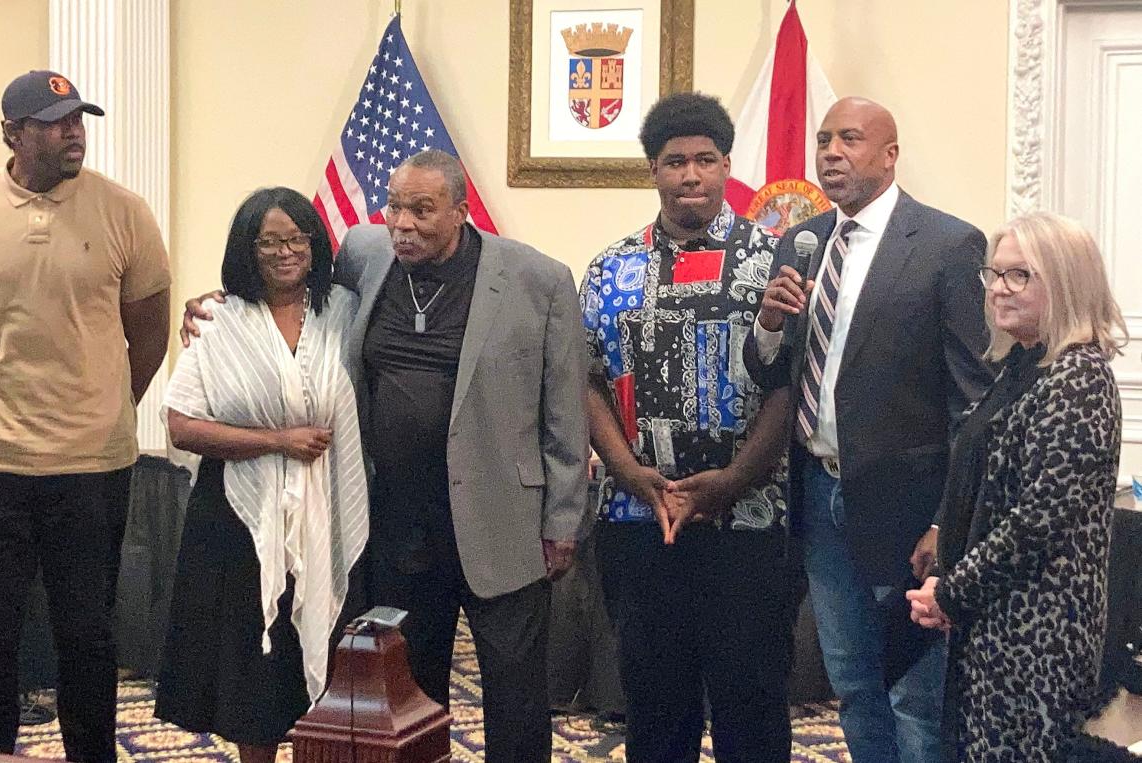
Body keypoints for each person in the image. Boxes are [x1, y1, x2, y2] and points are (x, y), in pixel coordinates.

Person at [182, 150, 588, 762]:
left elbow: (564, 414)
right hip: (398, 522)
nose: (403, 222)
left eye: (422, 210)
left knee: (514, 692)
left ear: (461, 210)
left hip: (503, 520)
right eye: (394, 205)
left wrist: (562, 523)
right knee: (405, 689)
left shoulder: (538, 278)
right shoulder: (364, 255)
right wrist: (222, 301)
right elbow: (288, 286)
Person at [0, 70, 170, 762]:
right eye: (54, 122)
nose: (73, 132)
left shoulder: (125, 213)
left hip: (90, 468)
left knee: (88, 637)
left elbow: (149, 331)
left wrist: (106, 406)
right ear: (11, 134)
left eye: (77, 119)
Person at [744, 96, 995, 763]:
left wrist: (948, 519)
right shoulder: (803, 242)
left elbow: (973, 402)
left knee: (917, 690)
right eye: (824, 138)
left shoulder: (947, 245)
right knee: (852, 680)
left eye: (849, 139)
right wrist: (768, 324)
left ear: (889, 154)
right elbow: (769, 372)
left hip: (909, 512)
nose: (830, 151)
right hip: (820, 497)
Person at [580, 91, 793, 763]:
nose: (691, 175)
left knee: (751, 702)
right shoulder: (613, 267)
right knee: (653, 700)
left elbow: (789, 386)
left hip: (749, 520)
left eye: (706, 159)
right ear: (653, 170)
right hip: (639, 518)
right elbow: (585, 380)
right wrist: (626, 470)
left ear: (728, 164)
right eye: (676, 161)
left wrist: (730, 482)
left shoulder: (774, 261)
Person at [155, 187, 367, 763]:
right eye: (268, 241)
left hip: (325, 515)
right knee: (255, 668)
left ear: (315, 243)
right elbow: (181, 426)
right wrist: (276, 441)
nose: (282, 251)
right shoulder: (217, 320)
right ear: (247, 250)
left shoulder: (344, 312)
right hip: (236, 523)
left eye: (295, 238)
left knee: (320, 656)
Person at [907, 212, 1124, 762]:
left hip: (1040, 635)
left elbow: (1039, 522)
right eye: (994, 274)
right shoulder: (1023, 364)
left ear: (1066, 283)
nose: (999, 289)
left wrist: (952, 592)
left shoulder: (1078, 377)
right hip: (994, 621)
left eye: (1019, 276)